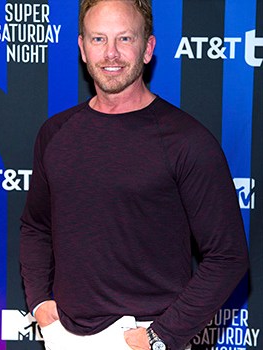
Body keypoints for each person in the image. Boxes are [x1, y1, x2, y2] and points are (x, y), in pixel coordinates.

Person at [20, 1, 249, 349]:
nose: (111, 53)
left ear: (148, 48)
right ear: (82, 49)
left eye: (125, 38)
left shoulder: (186, 141)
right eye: (98, 39)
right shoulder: (56, 133)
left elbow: (228, 256)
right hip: (65, 334)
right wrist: (39, 302)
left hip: (145, 334)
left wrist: (159, 337)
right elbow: (36, 226)